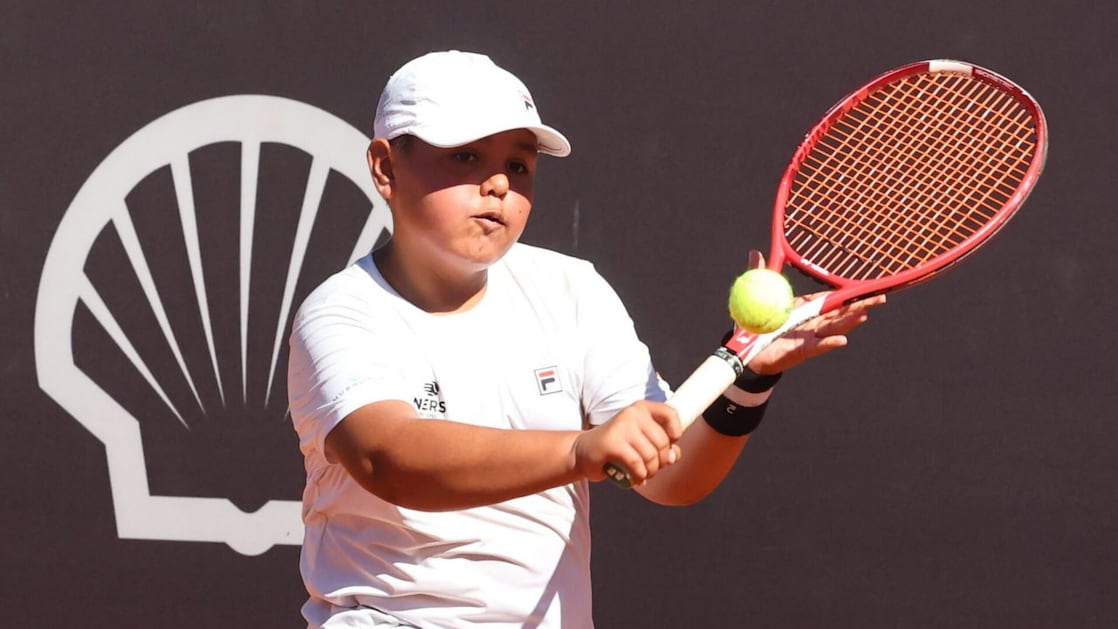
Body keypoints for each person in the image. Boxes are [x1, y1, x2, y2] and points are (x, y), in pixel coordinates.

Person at [287, 50, 885, 628]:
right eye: (465, 156)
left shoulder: (572, 290)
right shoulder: (341, 314)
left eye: (519, 165)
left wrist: (750, 378)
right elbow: (388, 458)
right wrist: (581, 450)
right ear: (385, 167)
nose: (497, 183)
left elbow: (669, 478)